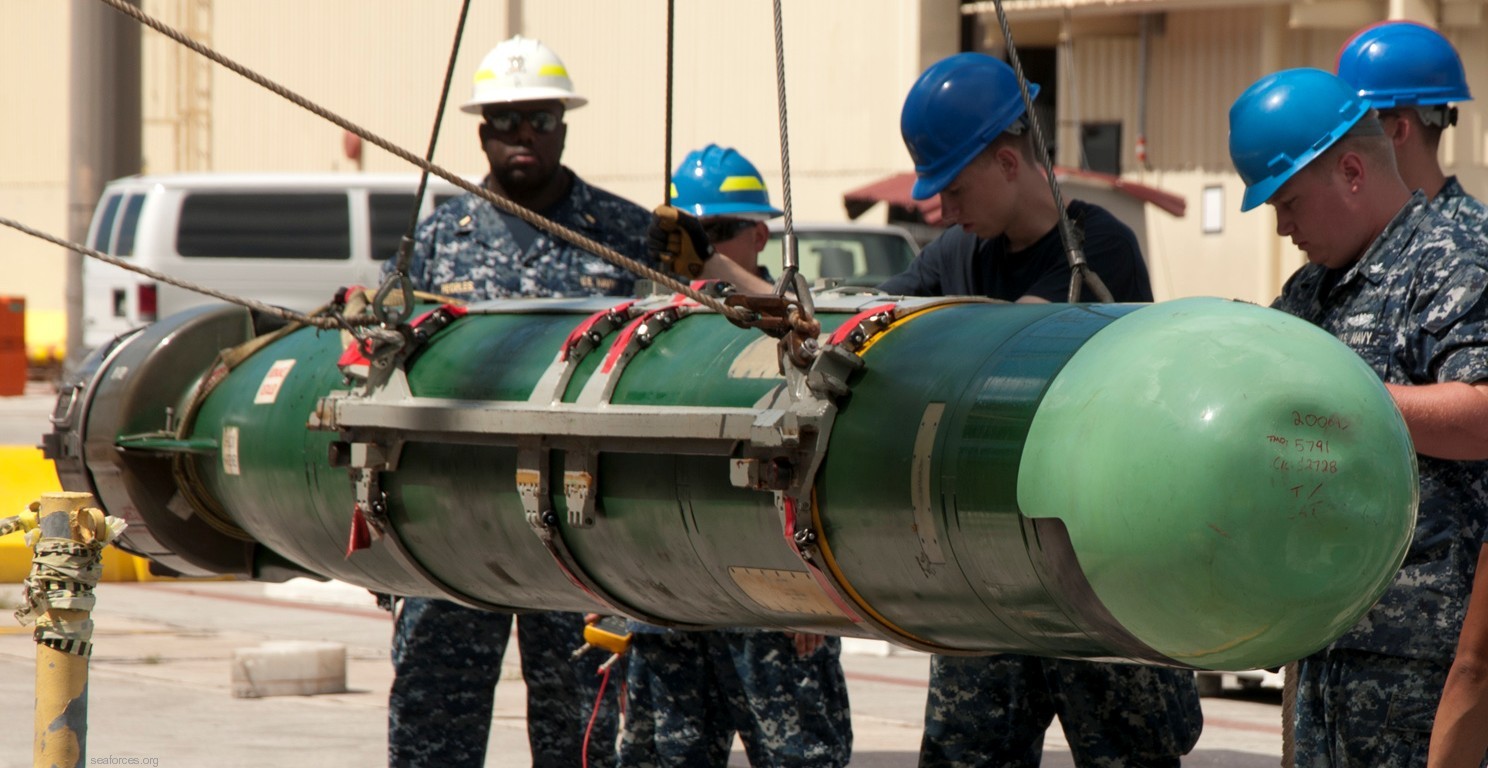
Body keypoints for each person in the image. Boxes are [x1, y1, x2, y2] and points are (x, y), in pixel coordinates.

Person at [882, 52, 1202, 768]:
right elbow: (873, 319)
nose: (945, 211)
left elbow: (1010, 349)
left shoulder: (1099, 251)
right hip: (988, 568)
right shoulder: (959, 253)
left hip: (1094, 572)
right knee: (966, 755)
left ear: (1007, 161)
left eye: (955, 188)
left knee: (1129, 754)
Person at [383, 35, 654, 768]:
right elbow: (381, 367)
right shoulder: (435, 241)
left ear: (563, 125)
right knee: (433, 717)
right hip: (451, 520)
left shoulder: (627, 235)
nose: (522, 134)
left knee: (581, 726)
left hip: (579, 523)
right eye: (505, 120)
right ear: (482, 133)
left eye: (538, 118)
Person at [1228, 66, 1488, 768]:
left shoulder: (1453, 265)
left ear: (1350, 171)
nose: (1282, 226)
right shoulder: (1311, 291)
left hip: (1425, 669)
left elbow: (1481, 414)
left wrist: (1339, 394)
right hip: (1325, 646)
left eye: (1288, 202)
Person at [615, 143, 853, 768]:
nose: (695, 253)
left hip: (770, 600)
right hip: (671, 600)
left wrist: (819, 587)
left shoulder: (802, 324)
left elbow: (827, 445)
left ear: (758, 235)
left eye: (715, 234)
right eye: (684, 238)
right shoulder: (653, 325)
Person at [1335, 21, 1488, 229]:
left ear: (1398, 130)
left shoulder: (1475, 238)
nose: (1343, 141)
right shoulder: (1356, 233)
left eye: (1357, 126)